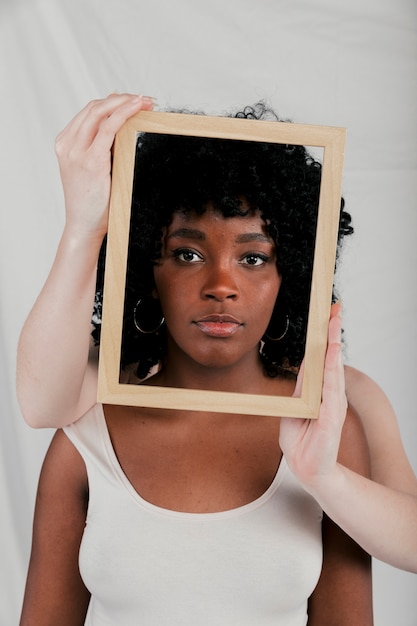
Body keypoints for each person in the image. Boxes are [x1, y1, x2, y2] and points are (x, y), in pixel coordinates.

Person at [12, 94, 409, 621]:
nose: (221, 285)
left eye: (252, 257)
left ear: (290, 275)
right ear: (145, 271)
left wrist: (325, 478)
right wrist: (85, 226)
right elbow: (40, 401)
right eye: (187, 253)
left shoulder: (335, 420)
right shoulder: (88, 424)